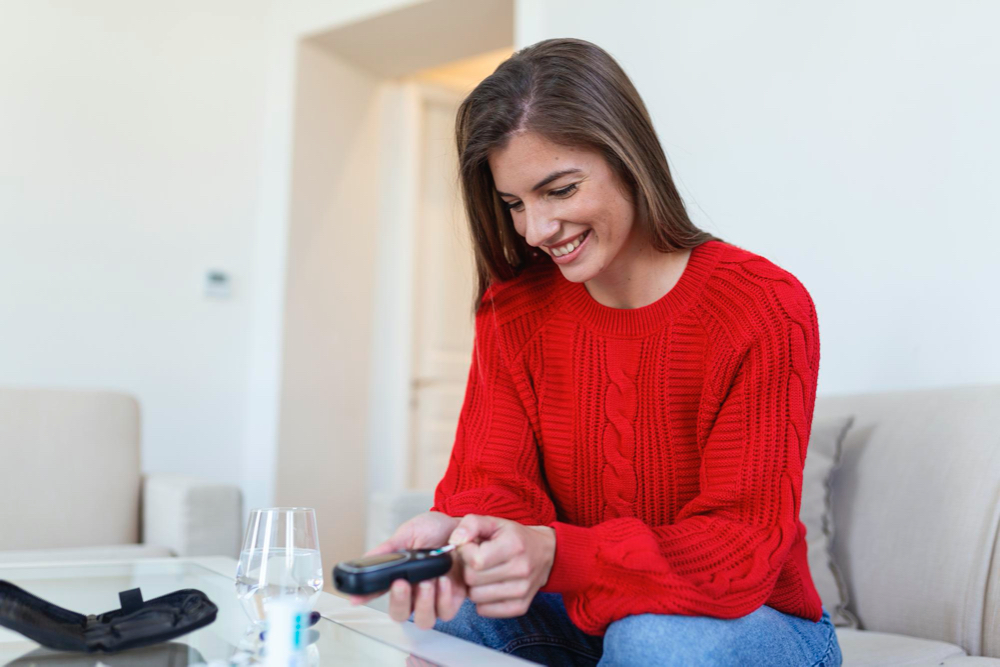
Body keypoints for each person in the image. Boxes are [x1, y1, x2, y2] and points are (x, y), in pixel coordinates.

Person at [350, 38, 843, 666]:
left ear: (628, 156)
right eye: (514, 204)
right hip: (582, 610)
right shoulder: (514, 308)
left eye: (559, 190)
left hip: (749, 617)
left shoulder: (762, 304)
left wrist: (557, 553)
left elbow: (738, 549)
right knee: (456, 617)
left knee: (651, 638)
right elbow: (495, 485)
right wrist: (466, 537)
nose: (534, 230)